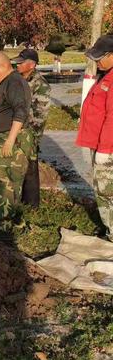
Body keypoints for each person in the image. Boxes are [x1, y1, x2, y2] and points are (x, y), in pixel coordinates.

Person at [0, 51, 33, 227]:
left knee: (3, 182)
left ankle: (2, 225)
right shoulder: (9, 82)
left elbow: (21, 111)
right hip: (8, 136)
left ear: (3, 66)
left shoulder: (14, 82)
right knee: (9, 181)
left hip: (13, 137)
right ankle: (6, 219)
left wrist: (10, 139)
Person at [76, 34, 113, 240]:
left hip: (108, 148)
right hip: (100, 144)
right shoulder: (106, 75)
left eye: (100, 58)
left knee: (107, 193)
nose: (97, 62)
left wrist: (105, 152)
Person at [15, 49, 51, 208]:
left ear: (32, 64)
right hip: (15, 130)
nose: (17, 65)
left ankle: (31, 204)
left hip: (29, 132)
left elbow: (40, 115)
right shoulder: (17, 79)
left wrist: (33, 138)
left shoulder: (40, 84)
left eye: (21, 62)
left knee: (30, 168)